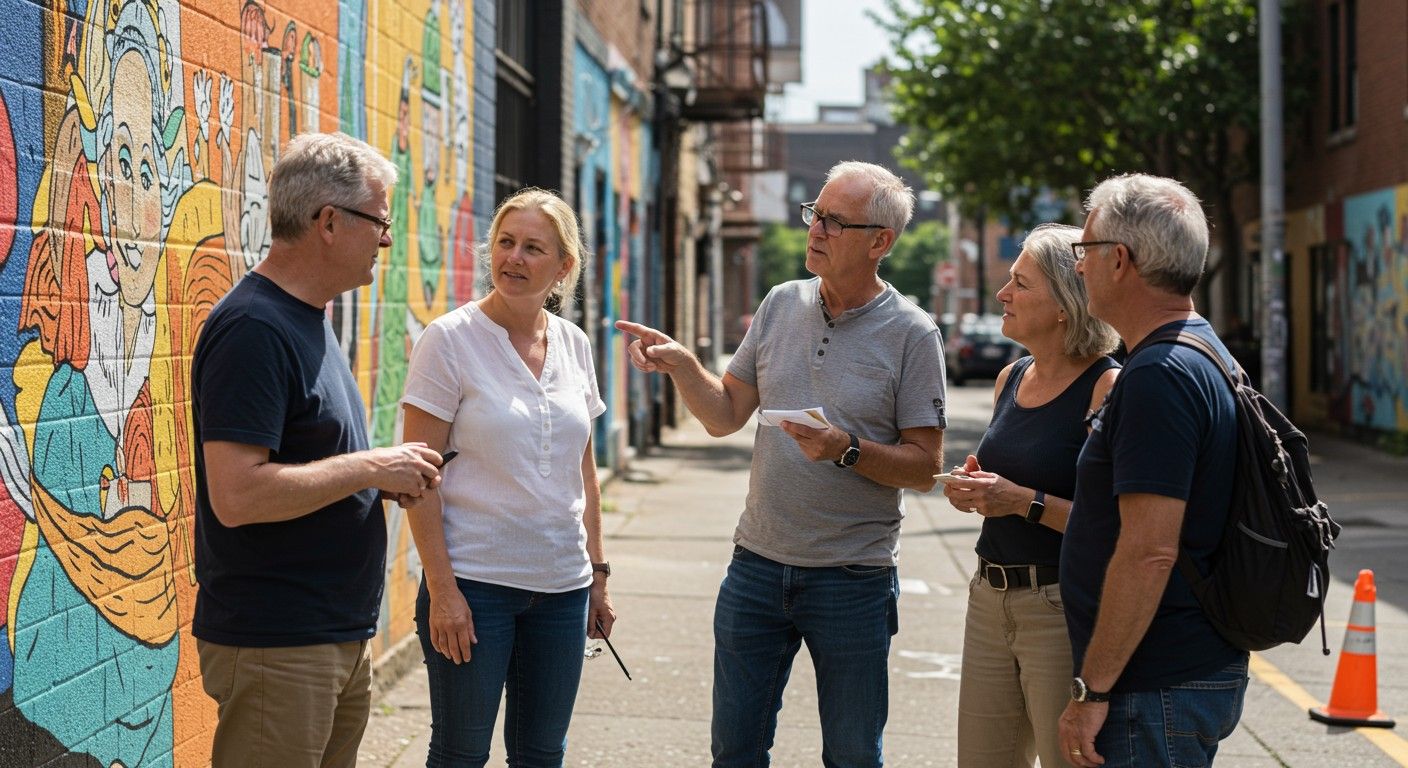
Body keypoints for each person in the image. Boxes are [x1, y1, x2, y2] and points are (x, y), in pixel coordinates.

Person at [616, 161, 946, 767]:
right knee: (735, 753)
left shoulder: (913, 333)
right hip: (757, 569)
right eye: (814, 215)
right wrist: (684, 365)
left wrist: (846, 449)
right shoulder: (778, 304)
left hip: (853, 580)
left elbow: (925, 467)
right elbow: (724, 415)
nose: (815, 230)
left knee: (852, 755)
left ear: (881, 241)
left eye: (834, 221)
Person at [191, 132, 444, 768]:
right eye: (380, 222)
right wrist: (370, 466)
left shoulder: (308, 317)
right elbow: (239, 494)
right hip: (281, 642)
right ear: (328, 222)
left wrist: (375, 478)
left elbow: (306, 464)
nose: (386, 241)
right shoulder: (254, 328)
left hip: (330, 635)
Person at [400, 188, 615, 767]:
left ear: (564, 266)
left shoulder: (574, 343)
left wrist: (597, 572)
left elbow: (584, 473)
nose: (514, 258)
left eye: (533, 248)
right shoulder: (448, 340)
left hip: (562, 588)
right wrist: (442, 592)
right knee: (461, 752)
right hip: (475, 585)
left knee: (543, 753)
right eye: (505, 242)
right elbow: (416, 477)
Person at [1058, 174, 1247, 767]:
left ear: (1119, 260)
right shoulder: (1200, 348)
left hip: (1152, 686)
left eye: (1083, 252)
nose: (1079, 267)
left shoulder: (1158, 375)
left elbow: (1149, 551)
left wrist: (1094, 691)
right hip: (1176, 674)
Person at [940, 224, 1119, 767]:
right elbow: (1005, 484)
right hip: (988, 596)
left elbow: (1112, 525)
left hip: (1058, 607)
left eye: (1021, 283)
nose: (1003, 295)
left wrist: (1020, 500)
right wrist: (976, 490)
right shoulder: (1012, 376)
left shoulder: (1106, 386)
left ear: (1065, 304)